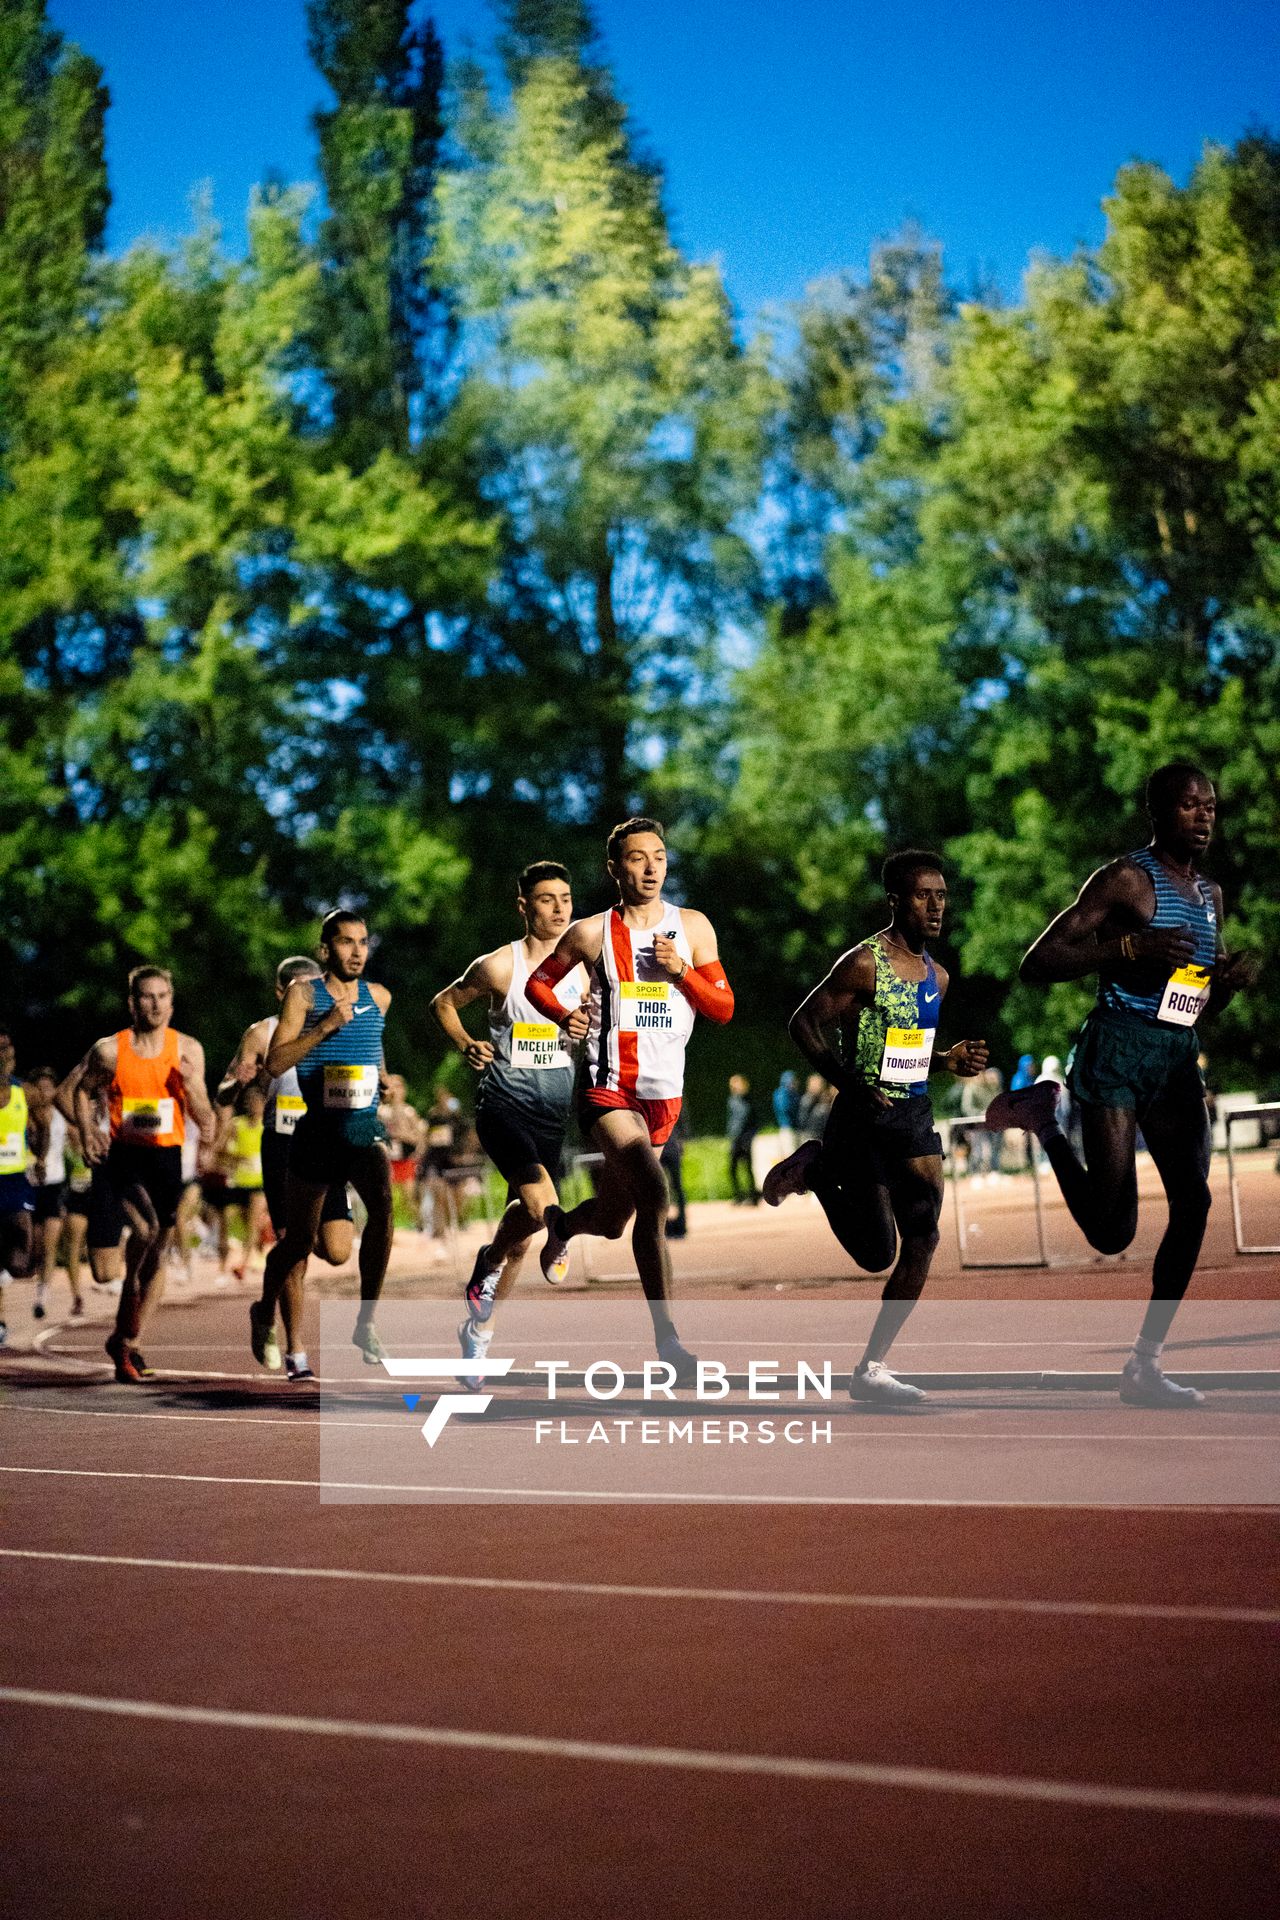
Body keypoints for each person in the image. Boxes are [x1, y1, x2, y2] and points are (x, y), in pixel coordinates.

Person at [986, 762, 1256, 1408]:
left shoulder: (1211, 897)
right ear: (1159, 813)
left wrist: (1224, 988)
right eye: (1190, 805)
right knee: (1112, 1233)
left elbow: (1192, 1004)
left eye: (1211, 806)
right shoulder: (1126, 879)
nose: (1204, 815)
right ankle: (1044, 1119)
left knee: (1194, 1205)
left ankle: (1144, 1364)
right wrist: (1126, 951)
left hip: (1173, 1057)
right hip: (1115, 1051)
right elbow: (1037, 962)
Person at [763, 852, 988, 1404]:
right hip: (861, 1117)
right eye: (921, 895)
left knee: (925, 1237)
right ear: (895, 901)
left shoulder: (938, 975)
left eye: (941, 895)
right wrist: (848, 1081)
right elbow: (803, 1023)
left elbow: (907, 1048)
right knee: (875, 1254)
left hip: (911, 1113)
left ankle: (871, 1368)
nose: (935, 906)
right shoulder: (864, 964)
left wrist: (946, 1059)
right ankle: (815, 1169)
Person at [525, 817, 734, 1383]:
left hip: (665, 1096)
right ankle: (669, 1342)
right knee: (654, 1189)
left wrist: (682, 971)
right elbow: (537, 984)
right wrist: (566, 1015)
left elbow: (722, 1008)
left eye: (659, 856)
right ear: (614, 868)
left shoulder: (692, 927)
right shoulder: (592, 933)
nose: (650, 868)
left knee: (616, 1220)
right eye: (637, 858)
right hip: (607, 1088)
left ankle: (563, 1226)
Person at [431, 860, 588, 1381]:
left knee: (518, 1238)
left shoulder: (584, 967)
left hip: (551, 1111)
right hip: (503, 1103)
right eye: (547, 899)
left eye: (566, 897)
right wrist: (465, 1043)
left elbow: (593, 1027)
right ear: (524, 906)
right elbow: (444, 1003)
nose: (560, 907)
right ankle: (561, 1233)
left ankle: (478, 1330)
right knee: (545, 1204)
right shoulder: (501, 966)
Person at [59, 967, 216, 1383]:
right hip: (120, 1159)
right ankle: (127, 1315)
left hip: (164, 1160)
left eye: (163, 996)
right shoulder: (110, 1051)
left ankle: (128, 1340)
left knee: (153, 1245)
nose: (156, 1004)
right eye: (147, 997)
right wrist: (88, 1130)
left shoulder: (188, 1050)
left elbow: (204, 1111)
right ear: (132, 1003)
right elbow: (76, 1092)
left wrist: (198, 1099)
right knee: (106, 1271)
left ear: (172, 1001)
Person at [253, 912, 392, 1380]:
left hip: (360, 1131)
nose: (356, 952)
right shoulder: (304, 995)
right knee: (298, 1242)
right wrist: (324, 1027)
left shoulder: (381, 998)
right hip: (314, 1134)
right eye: (346, 943)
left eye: (362, 943)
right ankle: (264, 1308)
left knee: (384, 1209)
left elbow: (373, 1051)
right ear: (324, 950)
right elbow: (274, 1062)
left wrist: (385, 1081)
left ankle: (366, 1321)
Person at [218, 955, 356, 1283]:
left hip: (325, 1142)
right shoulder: (260, 1034)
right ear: (282, 994)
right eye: (304, 990)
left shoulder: (337, 1029)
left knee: (338, 1251)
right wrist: (237, 1081)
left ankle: (280, 1269)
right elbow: (222, 1094)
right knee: (295, 1244)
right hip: (282, 1145)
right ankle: (280, 1321)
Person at [26, 1067, 75, 1319]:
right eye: (40, 1087)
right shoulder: (25, 1115)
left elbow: (78, 1136)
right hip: (29, 1185)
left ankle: (42, 1297)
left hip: (55, 1185)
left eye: (49, 1087)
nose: (45, 1092)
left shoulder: (60, 1116)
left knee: (50, 1246)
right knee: (31, 1246)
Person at [0, 1028, 37, 1347]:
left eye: (7, 1048)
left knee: (20, 1259)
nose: (3, 1055)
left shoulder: (23, 1092)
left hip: (15, 1180)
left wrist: (38, 1155)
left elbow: (40, 1121)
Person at [379, 1074, 425, 1218]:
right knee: (387, 1197)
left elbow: (419, 1137)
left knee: (409, 1195)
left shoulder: (409, 1111)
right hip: (389, 1159)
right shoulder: (383, 1111)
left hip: (406, 1158)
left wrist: (404, 1137)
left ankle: (419, 1223)